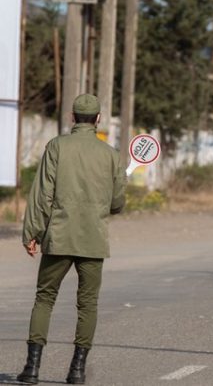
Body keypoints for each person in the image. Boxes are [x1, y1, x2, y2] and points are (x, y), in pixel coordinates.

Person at [17, 94, 127, 385]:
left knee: (44, 298)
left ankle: (32, 368)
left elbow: (42, 194)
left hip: (59, 237)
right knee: (87, 304)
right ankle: (77, 371)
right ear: (99, 120)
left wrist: (32, 233)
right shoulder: (111, 155)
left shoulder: (56, 147)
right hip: (93, 240)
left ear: (72, 117)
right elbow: (117, 203)